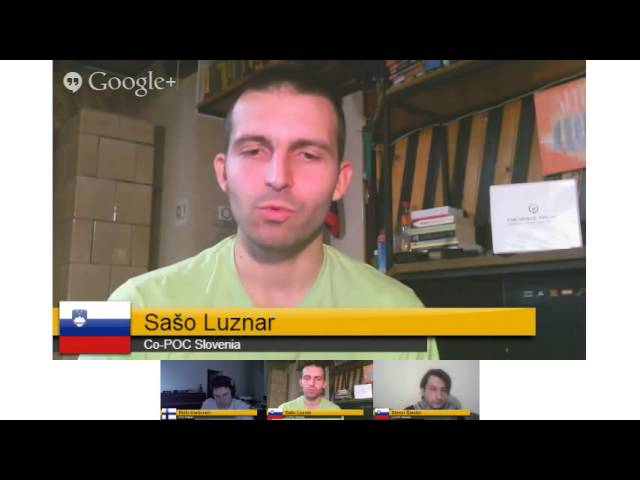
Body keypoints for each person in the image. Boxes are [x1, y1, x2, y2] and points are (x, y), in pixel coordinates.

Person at [106, 63, 438, 360]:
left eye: (308, 155)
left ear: (340, 181)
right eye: (254, 151)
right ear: (223, 173)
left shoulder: (402, 319)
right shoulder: (131, 310)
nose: (278, 177)